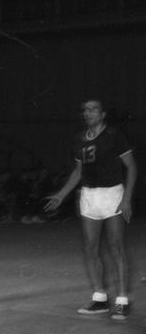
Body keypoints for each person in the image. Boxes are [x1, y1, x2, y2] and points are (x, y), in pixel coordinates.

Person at [44, 99, 137, 320]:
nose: (89, 112)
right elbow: (78, 172)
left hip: (112, 194)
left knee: (116, 247)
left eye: (94, 109)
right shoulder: (79, 139)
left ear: (103, 114)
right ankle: (100, 299)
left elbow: (131, 167)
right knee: (91, 248)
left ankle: (122, 300)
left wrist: (127, 199)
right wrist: (61, 194)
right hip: (89, 196)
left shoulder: (114, 136)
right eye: (85, 110)